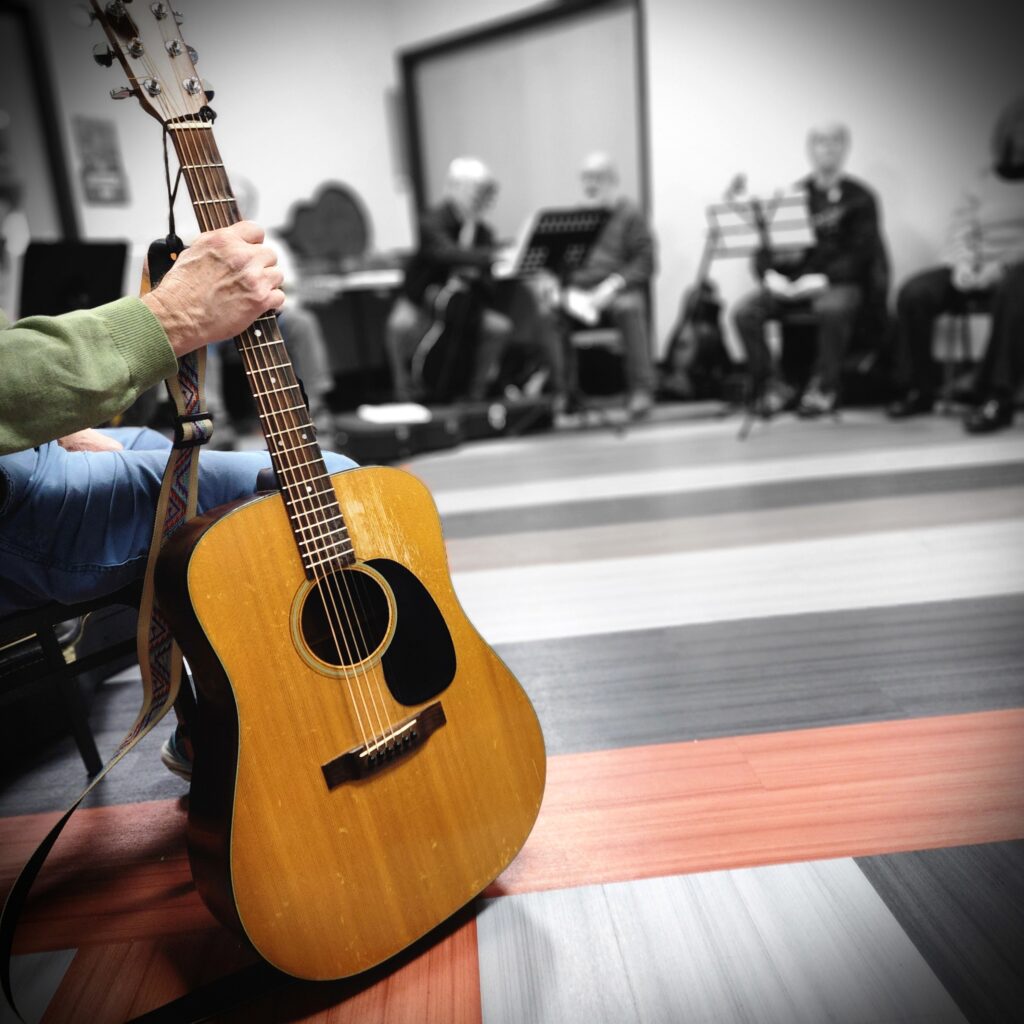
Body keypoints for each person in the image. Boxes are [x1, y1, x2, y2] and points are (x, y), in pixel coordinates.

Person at [0, 220, 357, 618]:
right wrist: (172, 313)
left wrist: (59, 429)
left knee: (168, 451)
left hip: (27, 445)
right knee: (342, 480)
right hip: (14, 482)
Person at [887, 96, 1024, 432]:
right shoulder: (982, 181)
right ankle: (920, 388)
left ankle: (998, 396)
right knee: (914, 293)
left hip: (1014, 273)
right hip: (976, 268)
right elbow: (960, 229)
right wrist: (963, 265)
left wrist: (1001, 268)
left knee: (1014, 288)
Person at [731, 122, 882, 417]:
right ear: (810, 149)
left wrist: (823, 279)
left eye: (834, 141)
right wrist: (770, 276)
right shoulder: (795, 196)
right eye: (820, 142)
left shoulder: (860, 199)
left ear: (845, 148)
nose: (827, 148)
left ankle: (824, 387)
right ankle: (774, 385)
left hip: (838, 283)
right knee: (745, 313)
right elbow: (766, 248)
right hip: (795, 282)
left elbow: (863, 255)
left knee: (832, 308)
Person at [384, 157, 511, 403]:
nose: (478, 197)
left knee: (499, 328)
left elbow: (487, 282)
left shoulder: (482, 231)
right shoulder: (432, 220)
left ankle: (475, 395)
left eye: (482, 191)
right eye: (474, 189)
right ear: (455, 187)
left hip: (463, 306)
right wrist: (489, 256)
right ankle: (404, 393)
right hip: (421, 299)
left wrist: (480, 273)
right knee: (399, 326)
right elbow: (445, 252)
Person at [559, 152, 658, 418]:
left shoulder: (630, 214)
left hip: (616, 288)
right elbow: (562, 264)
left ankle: (642, 389)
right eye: (586, 178)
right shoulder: (575, 218)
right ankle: (563, 392)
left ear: (613, 180)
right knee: (550, 314)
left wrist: (612, 285)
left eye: (598, 177)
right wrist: (564, 290)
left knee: (629, 307)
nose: (591, 184)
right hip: (579, 291)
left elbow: (646, 262)